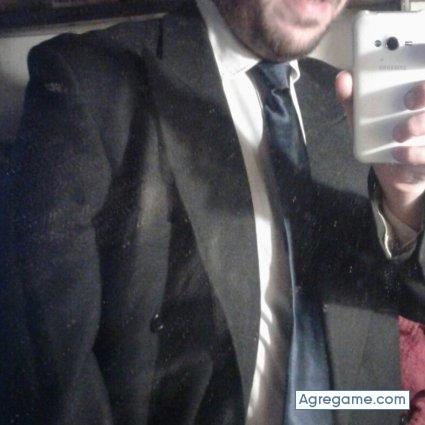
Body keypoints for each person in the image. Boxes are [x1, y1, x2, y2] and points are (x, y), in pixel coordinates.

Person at [5, 0, 425, 424]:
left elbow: (408, 300)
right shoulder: (88, 78)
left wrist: (405, 195)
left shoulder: (349, 101)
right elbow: (56, 370)